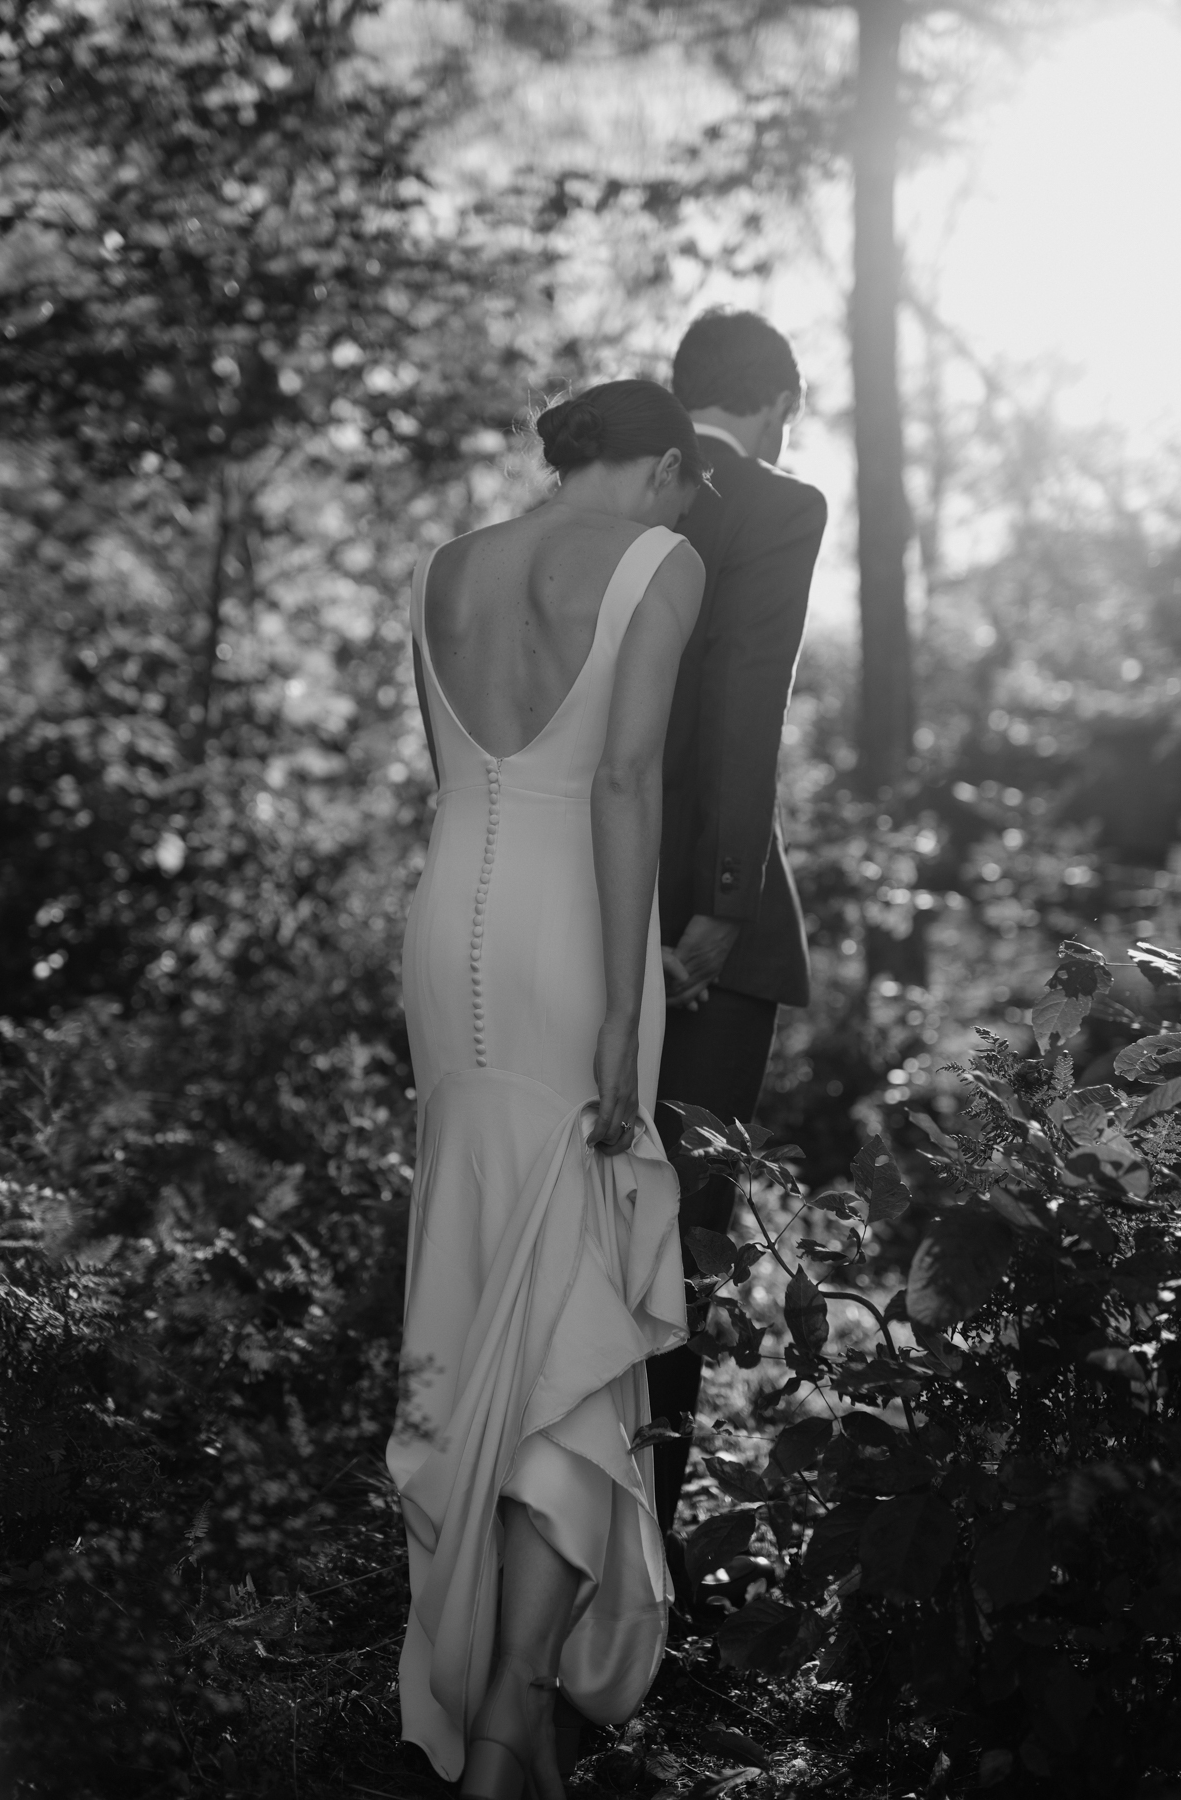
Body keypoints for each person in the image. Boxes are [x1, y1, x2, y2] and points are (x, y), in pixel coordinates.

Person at [386, 379, 706, 1799]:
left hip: (448, 916)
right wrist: (629, 1000)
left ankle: (482, 1678)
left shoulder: (441, 569)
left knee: (479, 1281)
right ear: (666, 467)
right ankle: (515, 1705)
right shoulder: (659, 560)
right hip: (574, 931)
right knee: (574, 1288)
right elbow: (624, 782)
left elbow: (448, 777)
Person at [647, 311, 829, 1534]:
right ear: (774, 405)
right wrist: (722, 901)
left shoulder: (609, 502)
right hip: (707, 926)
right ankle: (645, 1553)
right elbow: (746, 706)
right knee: (684, 1232)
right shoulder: (776, 504)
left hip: (580, 899)